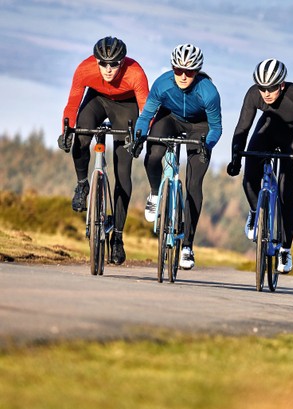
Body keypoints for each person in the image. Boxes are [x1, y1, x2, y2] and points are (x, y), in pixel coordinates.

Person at [58, 36, 149, 265]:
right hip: (97, 100)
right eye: (103, 64)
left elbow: (145, 110)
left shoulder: (135, 73)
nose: (108, 70)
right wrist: (66, 131)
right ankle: (82, 184)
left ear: (123, 61)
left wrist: (138, 137)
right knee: (80, 136)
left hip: (126, 106)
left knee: (123, 169)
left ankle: (117, 237)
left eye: (114, 64)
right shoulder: (85, 69)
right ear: (96, 61)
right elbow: (72, 104)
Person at [131, 44, 222, 270]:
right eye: (178, 70)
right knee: (153, 155)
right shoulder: (162, 84)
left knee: (194, 184)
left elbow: (216, 128)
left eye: (189, 72)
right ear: (172, 68)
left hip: (199, 126)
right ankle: (154, 194)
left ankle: (188, 247)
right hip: (169, 118)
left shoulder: (208, 91)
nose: (182, 75)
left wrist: (206, 145)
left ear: (197, 71)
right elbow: (146, 117)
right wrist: (138, 138)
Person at [226, 58, 293, 274]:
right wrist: (236, 157)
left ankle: (285, 249)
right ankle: (254, 211)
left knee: (287, 193)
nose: (266, 93)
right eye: (262, 88)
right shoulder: (253, 94)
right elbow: (242, 127)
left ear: (282, 85)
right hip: (267, 130)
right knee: (249, 177)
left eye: (272, 88)